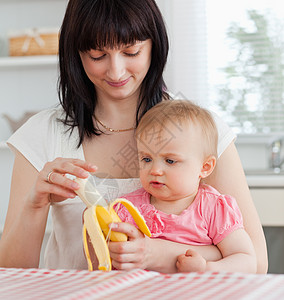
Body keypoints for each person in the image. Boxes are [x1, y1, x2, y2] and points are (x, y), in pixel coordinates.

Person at [0, 0, 267, 273]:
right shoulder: (42, 134)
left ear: (155, 45)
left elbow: (254, 261)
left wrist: (159, 254)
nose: (116, 71)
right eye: (97, 56)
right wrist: (34, 205)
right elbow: (10, 273)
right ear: (76, 54)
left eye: (131, 51)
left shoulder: (201, 131)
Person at [114, 100, 256, 273]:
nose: (155, 170)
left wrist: (207, 268)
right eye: (146, 159)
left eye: (170, 161)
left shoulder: (213, 208)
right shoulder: (127, 208)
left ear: (205, 167)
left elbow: (246, 260)